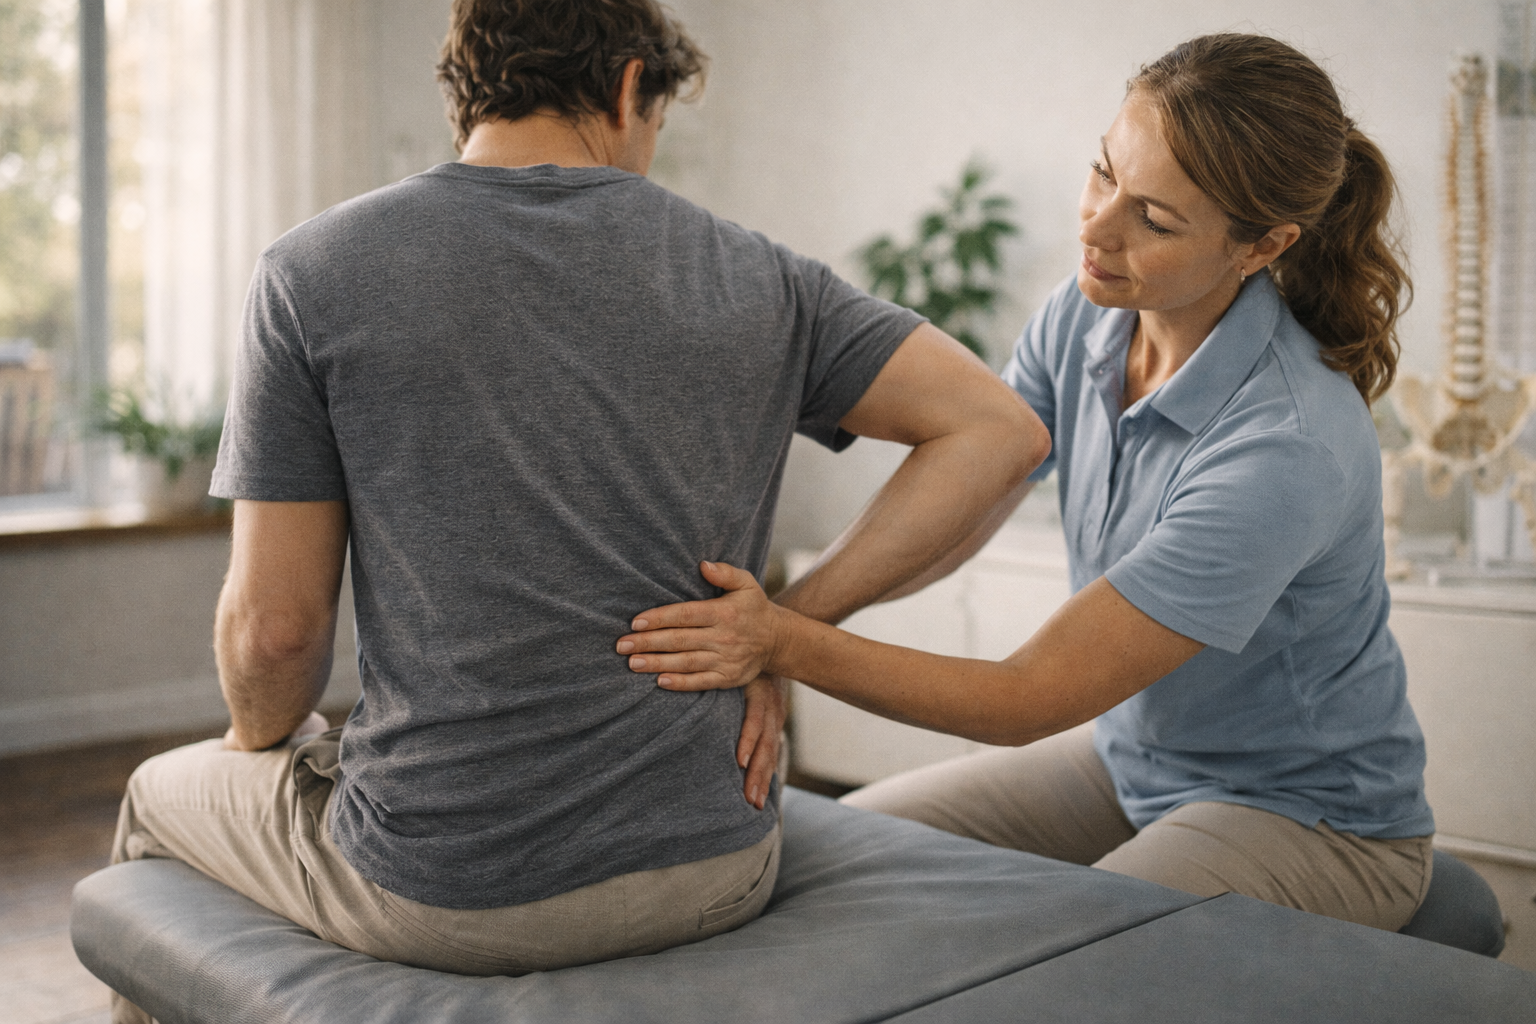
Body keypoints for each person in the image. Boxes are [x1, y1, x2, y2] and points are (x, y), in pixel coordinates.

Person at [106, 1, 1048, 1019]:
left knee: (160, 793)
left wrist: (261, 750)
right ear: (625, 87)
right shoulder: (765, 275)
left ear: (467, 87)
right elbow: (1001, 432)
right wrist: (789, 626)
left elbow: (277, 634)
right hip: (719, 867)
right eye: (656, 121)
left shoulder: (312, 272)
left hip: (445, 892)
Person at [617, 33, 1436, 933]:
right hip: (1131, 768)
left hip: (1308, 816)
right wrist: (798, 617)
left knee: (1058, 959)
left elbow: (1025, 697)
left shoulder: (1287, 447)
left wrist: (780, 644)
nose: (1094, 225)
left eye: (1154, 220)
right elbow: (975, 493)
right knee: (828, 862)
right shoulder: (1086, 315)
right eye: (1102, 173)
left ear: (1262, 245)